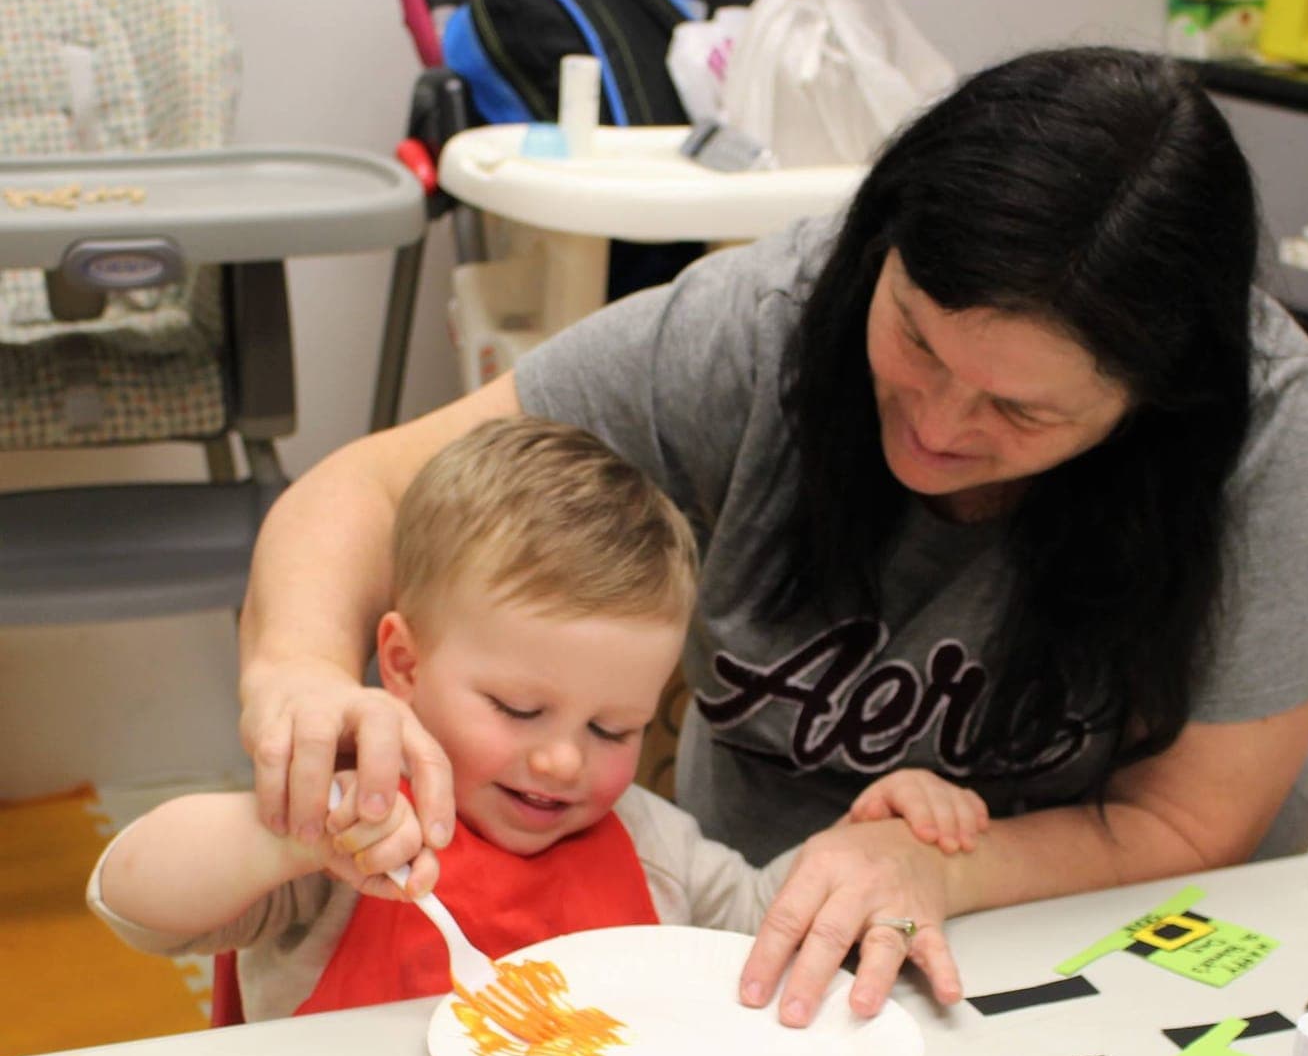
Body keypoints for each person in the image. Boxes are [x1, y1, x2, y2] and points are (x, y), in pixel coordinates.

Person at [235, 45, 1308, 1028]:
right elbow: (369, 489)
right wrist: (293, 675)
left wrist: (938, 864)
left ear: (1148, 405)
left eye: (1019, 413)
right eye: (913, 339)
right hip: (761, 934)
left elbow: (1195, 821)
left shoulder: (1255, 426)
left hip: (1113, 937)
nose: (936, 427)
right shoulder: (766, 320)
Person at [89, 419, 991, 1019]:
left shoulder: (652, 843)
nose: (564, 762)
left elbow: (774, 916)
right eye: (520, 709)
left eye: (614, 730)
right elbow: (131, 902)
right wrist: (284, 839)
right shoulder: (350, 831)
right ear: (402, 664)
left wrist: (878, 829)